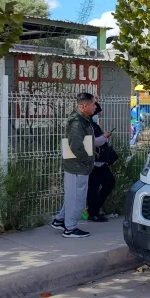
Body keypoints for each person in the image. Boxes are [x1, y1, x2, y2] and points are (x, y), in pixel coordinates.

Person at [51, 93, 96, 238]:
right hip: (78, 166)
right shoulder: (78, 122)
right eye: (92, 104)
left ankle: (59, 220)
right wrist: (88, 160)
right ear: (84, 106)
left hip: (76, 165)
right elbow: (76, 146)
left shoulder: (82, 119)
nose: (95, 107)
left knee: (72, 196)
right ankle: (70, 228)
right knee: (77, 198)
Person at [85, 102, 115, 222]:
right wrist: (104, 137)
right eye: (97, 113)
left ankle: (94, 211)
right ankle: (94, 211)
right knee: (106, 183)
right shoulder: (89, 125)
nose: (98, 115)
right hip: (95, 161)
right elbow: (93, 141)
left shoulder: (92, 125)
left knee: (95, 186)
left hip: (98, 161)